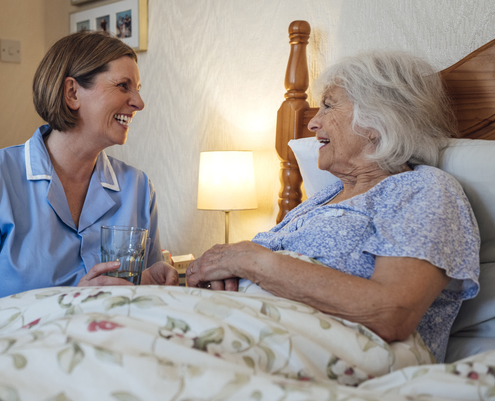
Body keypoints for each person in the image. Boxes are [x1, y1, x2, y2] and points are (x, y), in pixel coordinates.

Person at [186, 50, 480, 363]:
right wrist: (210, 272)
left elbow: (391, 312)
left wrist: (251, 262)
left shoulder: (423, 190)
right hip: (232, 325)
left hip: (308, 350)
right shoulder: (323, 197)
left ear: (378, 119)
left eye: (328, 105)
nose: (313, 122)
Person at [0, 31, 178, 320]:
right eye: (123, 86)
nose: (139, 103)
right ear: (72, 93)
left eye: (138, 88)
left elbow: (143, 312)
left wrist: (154, 285)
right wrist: (70, 306)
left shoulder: (139, 190)